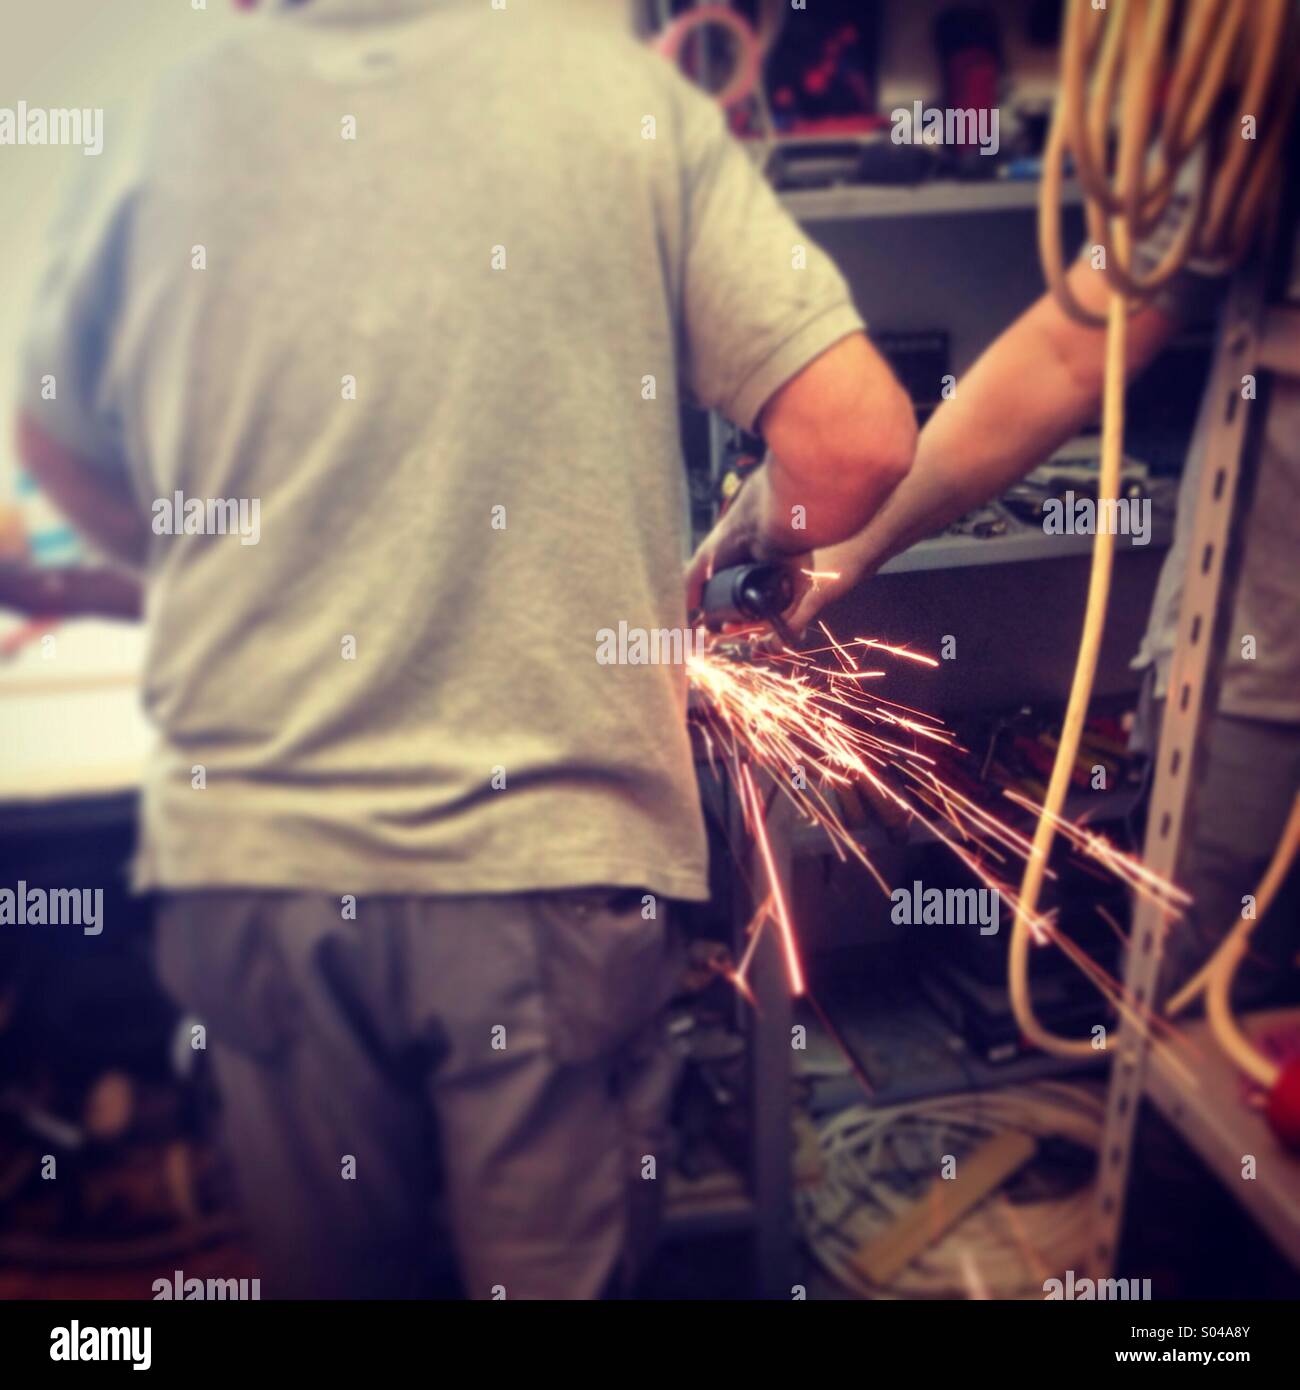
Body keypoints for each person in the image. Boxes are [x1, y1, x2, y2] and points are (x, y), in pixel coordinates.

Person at [13, 0, 915, 1297]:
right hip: (544, 870)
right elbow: (858, 439)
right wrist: (735, 554)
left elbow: (56, 456)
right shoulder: (623, 102)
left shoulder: (163, 119)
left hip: (259, 870)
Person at [790, 158, 1300, 1007]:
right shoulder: (1261, 107)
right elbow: (1067, 353)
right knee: (1199, 1044)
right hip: (1254, 674)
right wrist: (850, 545)